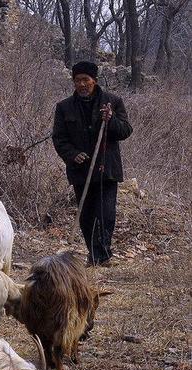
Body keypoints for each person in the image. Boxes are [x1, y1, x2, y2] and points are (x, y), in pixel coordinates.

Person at [52, 61, 133, 267]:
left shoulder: (112, 102)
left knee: (105, 213)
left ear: (94, 81)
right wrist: (72, 155)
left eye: (85, 80)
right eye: (78, 80)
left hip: (107, 169)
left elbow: (125, 131)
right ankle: (94, 253)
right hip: (80, 170)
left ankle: (102, 256)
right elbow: (59, 138)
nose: (82, 84)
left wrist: (111, 120)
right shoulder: (64, 107)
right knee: (86, 216)